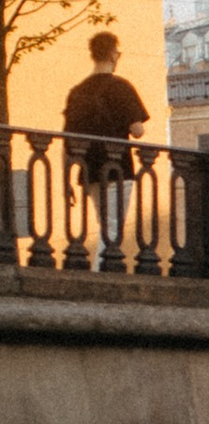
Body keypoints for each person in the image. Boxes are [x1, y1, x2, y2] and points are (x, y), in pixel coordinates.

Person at [61, 31, 150, 256]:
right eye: (118, 53)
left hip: (89, 171)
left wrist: (66, 180)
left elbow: (67, 140)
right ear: (112, 55)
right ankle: (102, 273)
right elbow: (137, 131)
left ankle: (102, 270)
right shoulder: (121, 87)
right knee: (113, 230)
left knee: (105, 226)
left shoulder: (77, 92)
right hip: (118, 168)